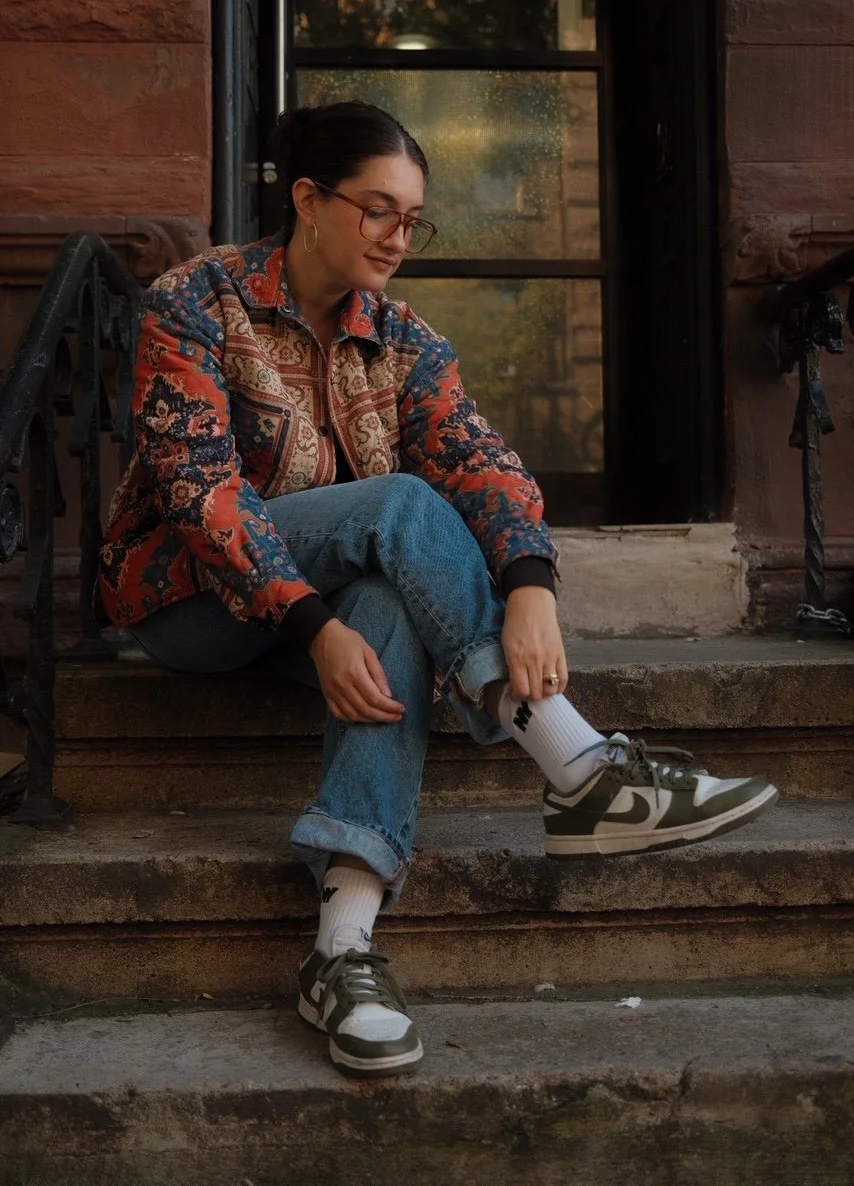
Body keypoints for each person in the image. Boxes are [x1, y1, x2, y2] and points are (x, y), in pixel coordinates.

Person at [99, 100, 779, 1079]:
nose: (398, 237)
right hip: (188, 601)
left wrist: (531, 584)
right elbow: (198, 493)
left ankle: (343, 942)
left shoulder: (402, 338)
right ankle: (576, 764)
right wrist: (309, 620)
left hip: (323, 618)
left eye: (413, 219)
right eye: (378, 209)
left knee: (392, 612)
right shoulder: (196, 302)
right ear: (307, 199)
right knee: (400, 509)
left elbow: (481, 460)